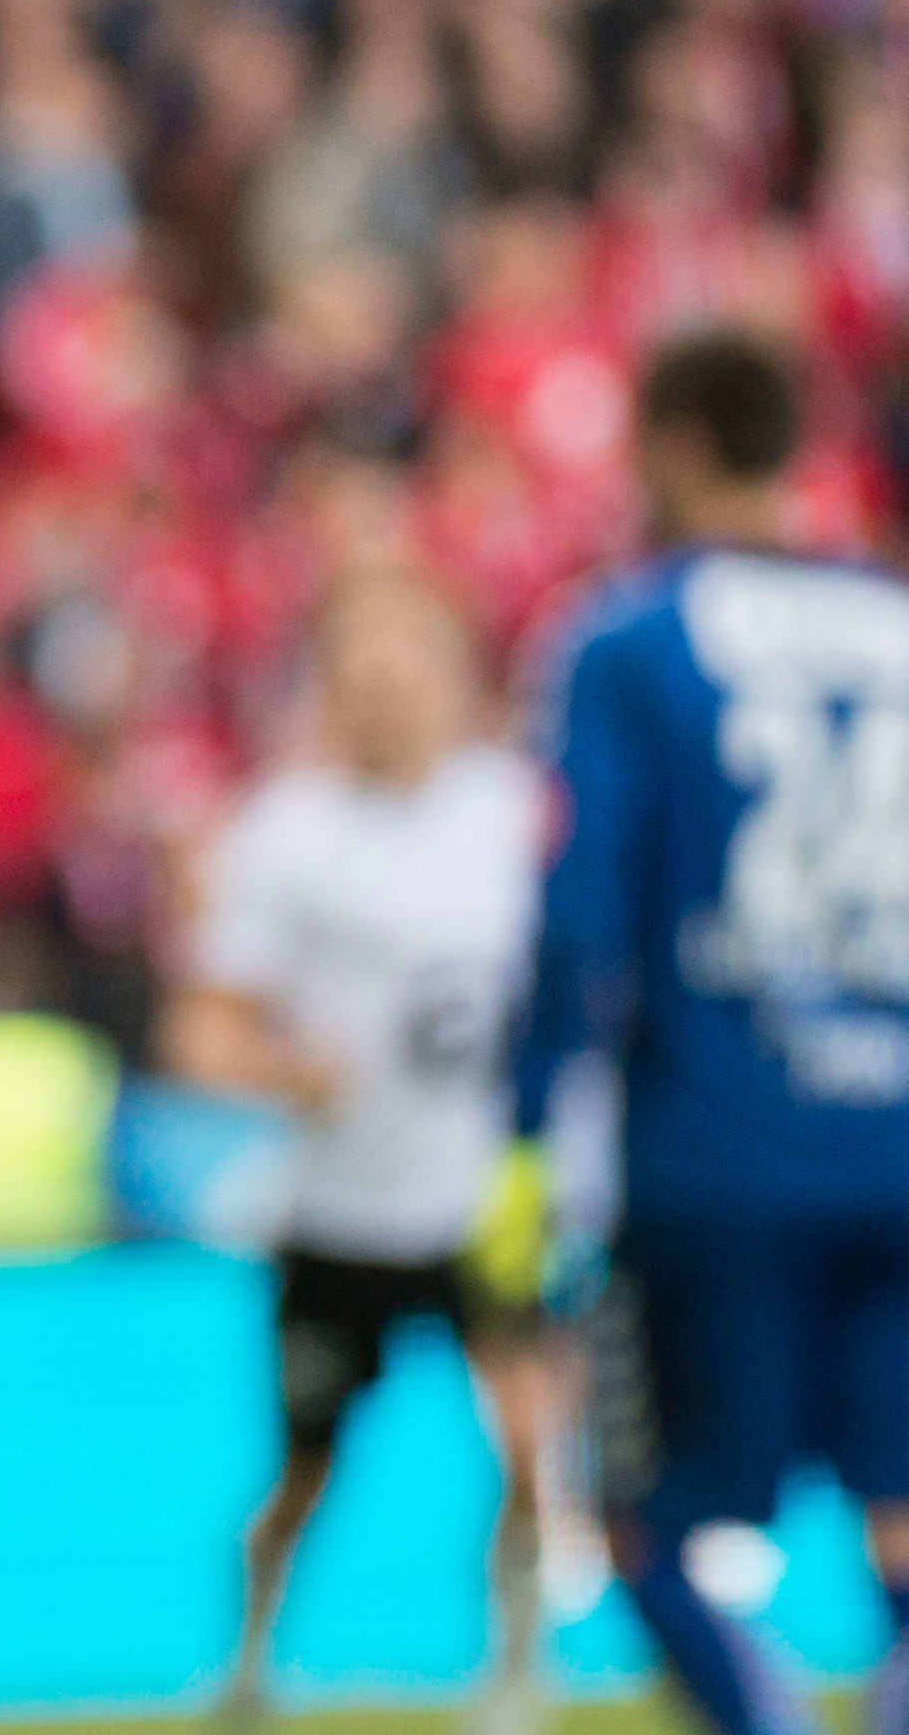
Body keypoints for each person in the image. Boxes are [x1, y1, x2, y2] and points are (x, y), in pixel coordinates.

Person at [502, 327, 909, 1735]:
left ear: (669, 446)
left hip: (710, 1151)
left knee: (640, 1517)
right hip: (895, 1146)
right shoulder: (894, 621)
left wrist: (523, 1129)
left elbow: (578, 915)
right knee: (897, 1507)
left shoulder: (625, 638)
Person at [170, 571, 550, 1733]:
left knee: (531, 1444)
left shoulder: (515, 814)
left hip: (483, 1199)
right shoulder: (283, 834)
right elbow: (202, 1029)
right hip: (338, 1211)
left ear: (456, 681)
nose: (388, 693)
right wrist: (282, 1071)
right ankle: (246, 1664)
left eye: (409, 667)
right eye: (363, 672)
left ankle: (517, 1671)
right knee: (303, 1474)